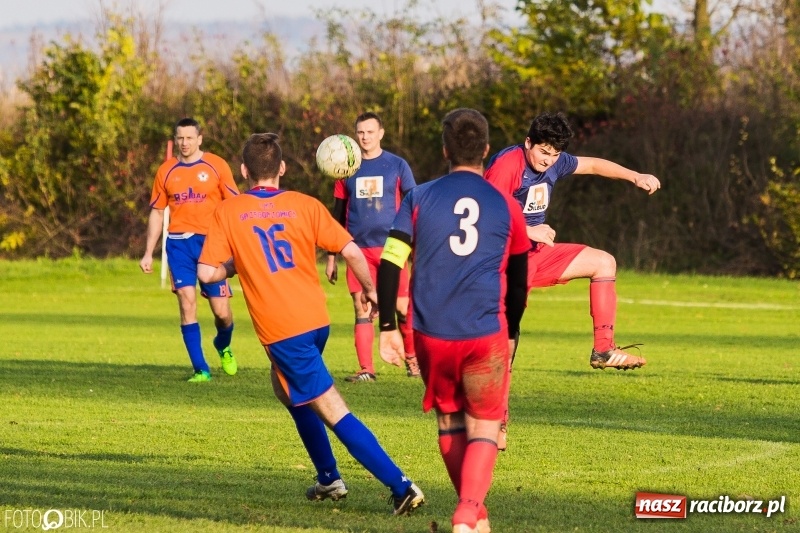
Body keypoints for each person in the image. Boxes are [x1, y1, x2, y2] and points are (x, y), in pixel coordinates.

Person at [197, 132, 425, 515]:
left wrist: (235, 265)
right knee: (286, 391)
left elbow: (206, 274)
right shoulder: (305, 204)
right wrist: (371, 290)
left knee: (333, 409)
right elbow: (350, 249)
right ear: (282, 168)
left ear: (243, 171)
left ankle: (401, 486)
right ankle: (328, 478)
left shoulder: (229, 211)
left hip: (283, 330)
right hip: (316, 322)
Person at [377, 109, 530, 533]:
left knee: (449, 418)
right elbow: (519, 284)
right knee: (484, 421)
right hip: (485, 333)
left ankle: (475, 517)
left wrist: (388, 327)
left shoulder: (418, 197)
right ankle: (468, 510)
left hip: (430, 334)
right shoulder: (505, 205)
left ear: (444, 149)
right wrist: (512, 330)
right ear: (485, 150)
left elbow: (390, 263)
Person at [484, 111, 660, 450]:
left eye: (554, 155)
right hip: (503, 262)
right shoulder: (507, 166)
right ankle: (497, 424)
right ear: (528, 143)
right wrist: (529, 228)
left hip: (537, 254)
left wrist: (634, 176)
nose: (548, 161)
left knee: (603, 262)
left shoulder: (555, 161)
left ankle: (604, 351)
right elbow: (487, 214)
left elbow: (592, 165)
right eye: (542, 152)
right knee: (505, 350)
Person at [139, 117, 240, 382]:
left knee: (221, 312)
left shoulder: (216, 165)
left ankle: (223, 344)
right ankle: (201, 369)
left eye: (189, 138)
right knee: (187, 301)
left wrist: (239, 241)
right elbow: (158, 212)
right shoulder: (166, 171)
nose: (184, 143)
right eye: (180, 138)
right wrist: (149, 251)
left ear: (200, 139)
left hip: (211, 244)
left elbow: (235, 205)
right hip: (179, 244)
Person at [326, 112, 418, 382]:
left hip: (394, 247)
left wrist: (418, 243)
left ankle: (413, 360)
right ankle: (367, 369)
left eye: (369, 132)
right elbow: (338, 214)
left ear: (381, 133)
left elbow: (413, 205)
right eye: (360, 132)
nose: (364, 137)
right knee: (362, 307)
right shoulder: (345, 167)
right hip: (357, 250)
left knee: (402, 307)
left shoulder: (397, 165)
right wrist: (332, 255)